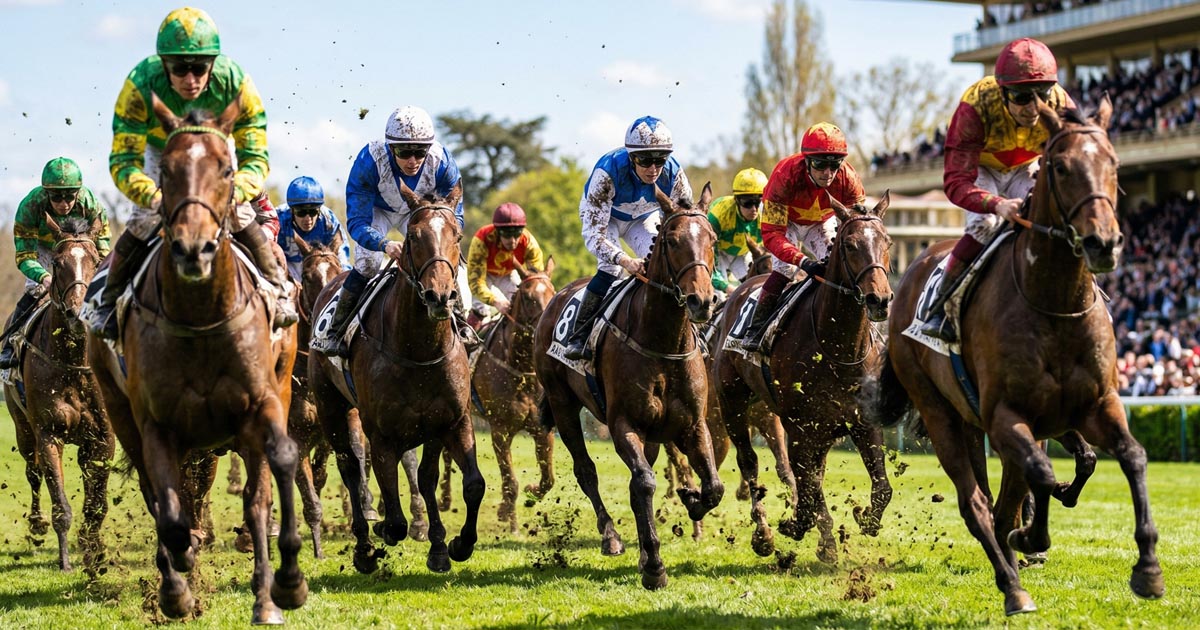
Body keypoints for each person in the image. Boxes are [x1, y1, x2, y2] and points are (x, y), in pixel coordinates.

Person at [90, 6, 295, 339]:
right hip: (163, 150)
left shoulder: (236, 82)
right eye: (179, 69)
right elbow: (123, 161)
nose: (191, 79)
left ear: (213, 63)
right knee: (144, 219)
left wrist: (236, 191)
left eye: (199, 68)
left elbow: (255, 155)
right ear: (163, 64)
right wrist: (153, 196)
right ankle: (106, 300)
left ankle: (278, 288)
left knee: (241, 215)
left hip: (213, 146)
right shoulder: (140, 85)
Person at [920, 37, 1075, 342]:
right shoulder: (975, 105)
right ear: (1003, 91)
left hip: (1027, 166)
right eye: (1020, 96)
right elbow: (955, 182)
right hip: (982, 169)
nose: (1033, 108)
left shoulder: (1062, 103)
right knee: (986, 223)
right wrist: (995, 203)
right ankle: (941, 305)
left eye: (1041, 95)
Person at [310, 105, 466, 357]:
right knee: (368, 264)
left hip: (420, 212)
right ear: (391, 148)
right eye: (404, 152)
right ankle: (335, 331)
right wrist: (385, 245)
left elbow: (455, 216)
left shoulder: (443, 162)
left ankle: (462, 322)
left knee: (445, 258)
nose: (413, 160)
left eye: (419, 152)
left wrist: (446, 240)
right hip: (377, 211)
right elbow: (358, 222)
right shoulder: (369, 162)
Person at [563, 115, 693, 360]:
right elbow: (594, 235)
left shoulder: (674, 173)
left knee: (666, 265)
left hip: (643, 218)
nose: (653, 169)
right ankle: (579, 334)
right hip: (606, 218)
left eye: (660, 160)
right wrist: (625, 260)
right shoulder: (608, 172)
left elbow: (684, 220)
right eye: (645, 160)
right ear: (632, 156)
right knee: (611, 269)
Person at [742, 122, 866, 352]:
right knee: (787, 270)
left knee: (844, 266)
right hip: (785, 222)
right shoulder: (784, 175)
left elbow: (857, 229)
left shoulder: (849, 179)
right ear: (806, 160)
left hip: (821, 223)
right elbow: (772, 235)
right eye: (820, 165)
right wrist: (803, 261)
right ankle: (756, 328)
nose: (828, 173)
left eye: (834, 165)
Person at [1, 158, 111, 368]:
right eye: (57, 197)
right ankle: (9, 346)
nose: (64, 203)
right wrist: (44, 277)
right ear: (46, 193)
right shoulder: (30, 205)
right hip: (43, 246)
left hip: (80, 245)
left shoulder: (91, 204)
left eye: (70, 196)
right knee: (35, 290)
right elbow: (25, 255)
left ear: (78, 193)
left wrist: (96, 271)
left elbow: (103, 245)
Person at [465, 202, 546, 329]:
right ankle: (467, 342)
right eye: (507, 234)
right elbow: (475, 282)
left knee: (522, 305)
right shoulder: (481, 239)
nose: (512, 240)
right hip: (484, 275)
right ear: (497, 231)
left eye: (517, 233)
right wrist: (495, 301)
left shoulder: (529, 242)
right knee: (481, 310)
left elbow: (537, 279)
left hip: (509, 273)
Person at [276, 176, 351, 281]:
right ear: (292, 210)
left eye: (313, 212)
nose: (308, 219)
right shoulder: (278, 219)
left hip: (317, 269)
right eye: (301, 212)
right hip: (286, 267)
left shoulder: (328, 220)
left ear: (319, 210)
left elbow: (342, 259)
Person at [708, 168, 767, 295]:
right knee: (719, 296)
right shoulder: (718, 216)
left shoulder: (767, 214)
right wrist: (726, 288)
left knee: (755, 291)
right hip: (718, 253)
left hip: (743, 253)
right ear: (736, 200)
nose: (754, 209)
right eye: (748, 203)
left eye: (758, 202)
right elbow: (706, 257)